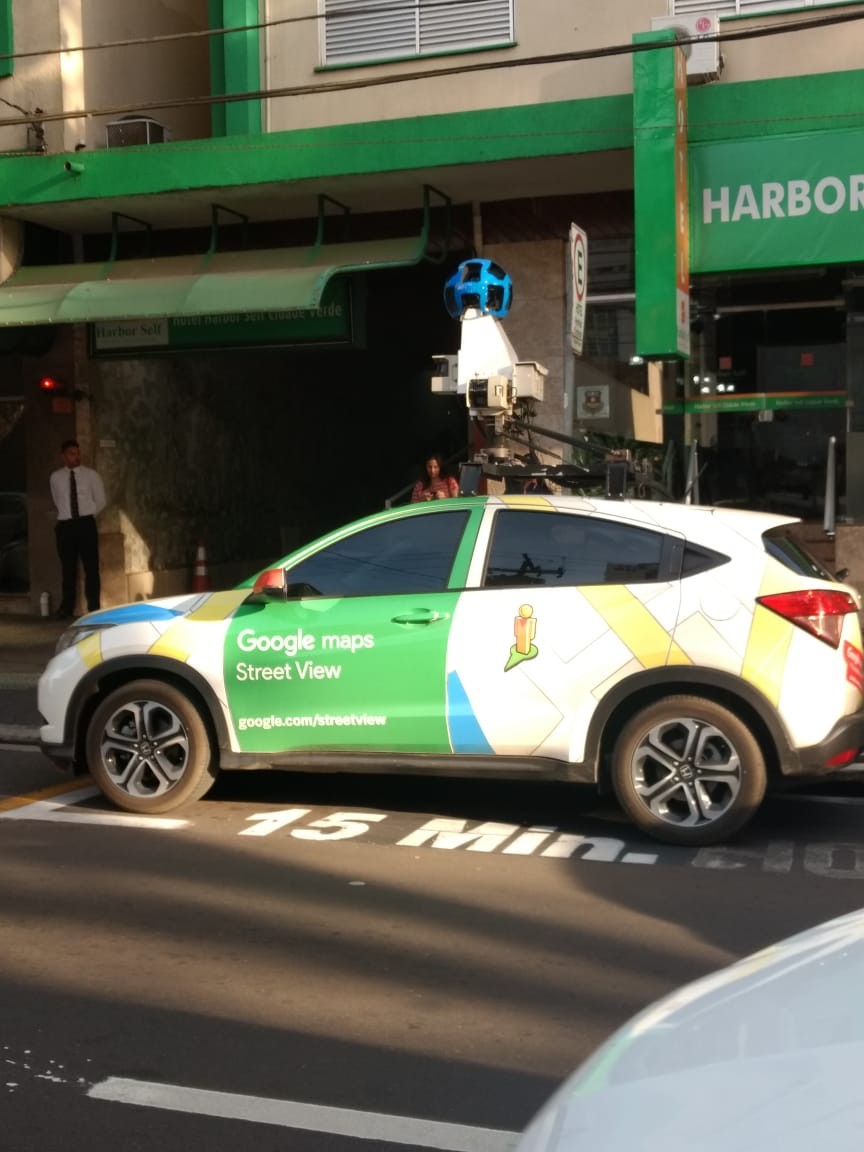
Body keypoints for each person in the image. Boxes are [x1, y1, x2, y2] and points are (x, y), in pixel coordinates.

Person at [49, 438, 106, 618]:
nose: (76, 457)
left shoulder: (91, 475)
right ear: (63, 456)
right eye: (72, 454)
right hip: (65, 525)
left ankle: (94, 607)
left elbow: (101, 500)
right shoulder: (56, 477)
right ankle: (67, 608)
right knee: (68, 568)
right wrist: (68, 516)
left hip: (85, 524)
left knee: (91, 567)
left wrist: (87, 515)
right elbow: (57, 500)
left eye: (77, 453)